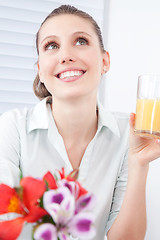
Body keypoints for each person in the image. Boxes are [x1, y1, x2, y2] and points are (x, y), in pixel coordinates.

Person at [0, 4, 160, 240]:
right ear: (40, 72)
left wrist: (139, 163)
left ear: (105, 61)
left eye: (81, 41)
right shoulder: (12, 127)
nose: (66, 56)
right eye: (51, 46)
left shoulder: (131, 133)